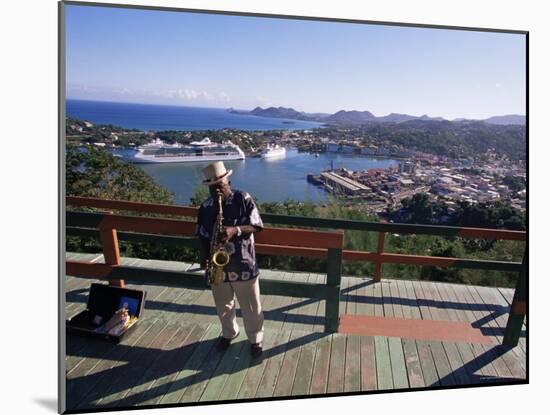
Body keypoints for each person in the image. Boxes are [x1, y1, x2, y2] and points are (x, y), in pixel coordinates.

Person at [196, 161, 265, 357]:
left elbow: (257, 225)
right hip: (218, 266)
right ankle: (229, 332)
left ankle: (255, 338)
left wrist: (235, 230)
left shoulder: (243, 198)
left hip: (243, 263)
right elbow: (200, 234)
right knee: (223, 305)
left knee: (251, 306)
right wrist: (205, 260)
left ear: (228, 181)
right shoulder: (206, 206)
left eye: (220, 185)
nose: (217, 190)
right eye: (212, 187)